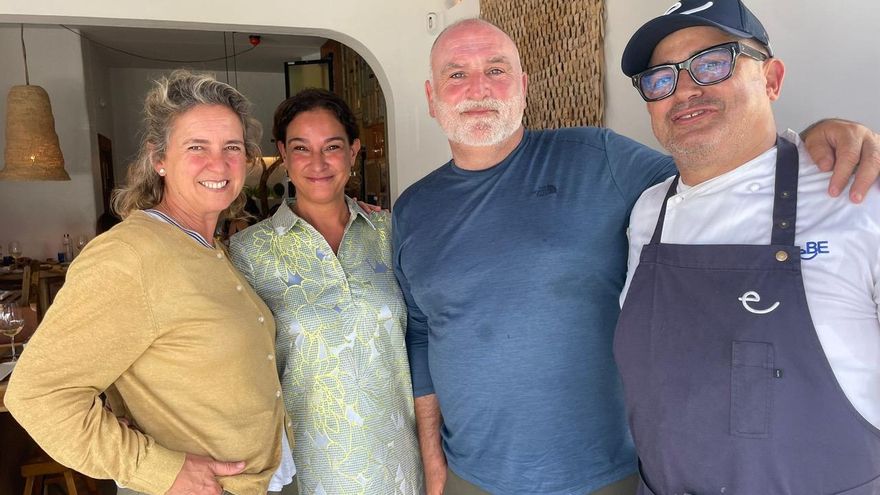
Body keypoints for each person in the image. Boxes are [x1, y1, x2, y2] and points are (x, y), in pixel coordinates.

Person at [392, 18, 880, 495]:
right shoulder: (412, 210)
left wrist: (816, 143)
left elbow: (718, 173)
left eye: (496, 70)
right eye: (457, 74)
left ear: (522, 86)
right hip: (471, 477)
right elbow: (420, 335)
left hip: (609, 475)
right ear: (432, 98)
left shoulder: (598, 157)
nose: (478, 87)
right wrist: (433, 462)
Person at [614, 1, 880, 493]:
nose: (684, 89)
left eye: (714, 62)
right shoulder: (647, 212)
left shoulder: (858, 196)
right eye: (660, 78)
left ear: (771, 79)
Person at [5, 70, 287, 495]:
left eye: (232, 146)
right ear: (159, 158)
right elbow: (37, 394)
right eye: (197, 146)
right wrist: (160, 470)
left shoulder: (209, 247)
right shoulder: (128, 256)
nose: (218, 163)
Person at [229, 88, 423, 495]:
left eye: (332, 147)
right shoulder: (247, 253)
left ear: (353, 152)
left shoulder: (390, 232)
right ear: (284, 154)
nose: (317, 163)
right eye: (301, 148)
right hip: (309, 468)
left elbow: (426, 335)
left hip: (400, 459)